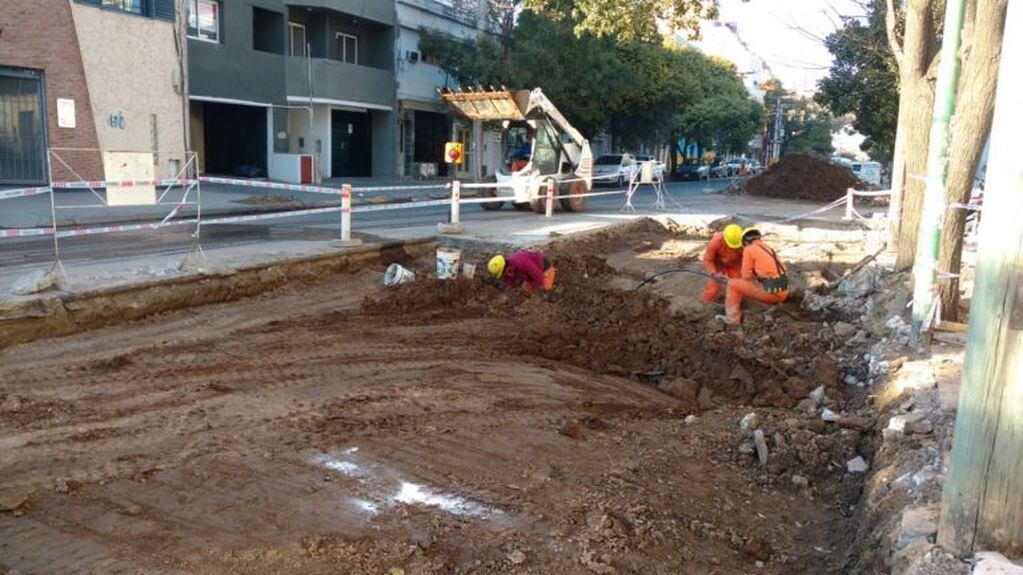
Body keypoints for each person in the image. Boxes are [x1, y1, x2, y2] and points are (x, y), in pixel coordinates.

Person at [724, 227, 789, 324]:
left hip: (772, 293)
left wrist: (741, 281)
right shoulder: (767, 248)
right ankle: (769, 304)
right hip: (783, 290)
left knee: (732, 284)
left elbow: (746, 276)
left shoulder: (749, 249)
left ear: (745, 242)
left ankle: (733, 320)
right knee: (752, 285)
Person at [701, 223, 745, 303]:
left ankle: (736, 304)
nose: (732, 248)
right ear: (724, 238)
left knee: (738, 285)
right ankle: (706, 305)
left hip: (736, 263)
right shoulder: (715, 242)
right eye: (731, 246)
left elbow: (747, 258)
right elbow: (707, 260)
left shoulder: (744, 243)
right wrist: (713, 273)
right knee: (713, 288)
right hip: (718, 263)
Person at [487, 251, 555, 294]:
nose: (503, 276)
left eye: (502, 273)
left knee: (545, 289)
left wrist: (534, 289)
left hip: (544, 269)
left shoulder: (521, 263)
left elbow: (539, 278)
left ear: (505, 268)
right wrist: (512, 289)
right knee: (525, 292)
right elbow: (510, 282)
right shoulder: (507, 267)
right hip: (529, 275)